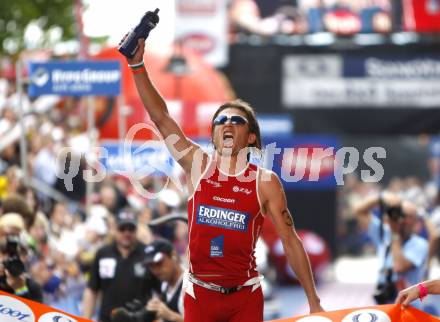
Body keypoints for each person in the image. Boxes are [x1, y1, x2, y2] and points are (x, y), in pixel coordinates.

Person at [120, 35, 323, 322]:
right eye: (221, 121)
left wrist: (313, 302)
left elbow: (290, 241)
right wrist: (137, 64)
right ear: (214, 134)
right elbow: (161, 118)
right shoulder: (196, 164)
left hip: (244, 297)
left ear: (251, 137)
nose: (227, 124)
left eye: (236, 121)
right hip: (200, 297)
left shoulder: (264, 182)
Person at [352, 191, 429, 306]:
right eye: (401, 215)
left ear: (416, 222)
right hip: (385, 304)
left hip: (409, 308)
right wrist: (380, 198)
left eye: (409, 217)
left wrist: (394, 233)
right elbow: (359, 211)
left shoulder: (420, 244)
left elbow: (399, 267)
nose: (403, 221)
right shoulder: (384, 234)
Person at [82, 209, 159, 322]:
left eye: (130, 229)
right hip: (107, 319)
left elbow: (160, 291)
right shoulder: (103, 253)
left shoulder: (147, 254)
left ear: (136, 230)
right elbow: (92, 289)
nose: (126, 233)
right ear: (114, 230)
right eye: (122, 229)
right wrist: (85, 319)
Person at [144, 238, 184, 322]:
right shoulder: (164, 285)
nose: (155, 270)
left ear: (173, 256)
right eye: (151, 266)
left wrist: (171, 316)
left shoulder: (190, 286)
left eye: (159, 263)